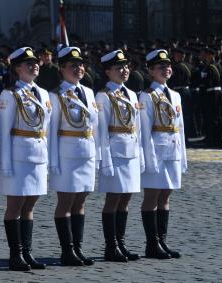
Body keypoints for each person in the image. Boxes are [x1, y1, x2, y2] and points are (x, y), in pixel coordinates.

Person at [0, 47, 49, 271]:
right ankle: (15, 254)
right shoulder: (10, 94)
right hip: (18, 156)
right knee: (15, 204)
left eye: (35, 62)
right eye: (28, 63)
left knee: (30, 204)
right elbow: (4, 131)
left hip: (38, 154)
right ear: (17, 68)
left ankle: (27, 252)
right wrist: (5, 164)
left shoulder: (43, 93)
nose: (34, 65)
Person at [48, 46, 98, 266]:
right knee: (66, 200)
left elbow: (94, 125)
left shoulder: (87, 92)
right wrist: (53, 161)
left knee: (81, 200)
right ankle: (66, 250)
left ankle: (77, 247)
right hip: (66, 154)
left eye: (81, 65)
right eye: (73, 65)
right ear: (62, 69)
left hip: (86, 151)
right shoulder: (56, 94)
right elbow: (51, 131)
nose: (79, 69)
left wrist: (96, 154)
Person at [139, 49, 187, 259]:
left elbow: (181, 127)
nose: (166, 69)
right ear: (150, 71)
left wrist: (183, 156)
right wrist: (148, 159)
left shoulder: (174, 95)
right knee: (153, 195)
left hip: (173, 149)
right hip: (157, 152)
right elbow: (145, 130)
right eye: (161, 67)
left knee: (166, 195)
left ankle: (162, 241)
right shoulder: (147, 96)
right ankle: (152, 244)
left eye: (168, 66)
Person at [96, 49, 143, 262]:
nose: (124, 71)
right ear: (108, 72)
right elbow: (101, 131)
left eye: (126, 67)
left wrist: (140, 155)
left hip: (131, 151)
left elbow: (138, 128)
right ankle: (110, 246)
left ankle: (121, 243)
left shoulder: (132, 94)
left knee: (126, 199)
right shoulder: (103, 96)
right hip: (114, 153)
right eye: (119, 68)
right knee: (113, 199)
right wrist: (104, 160)